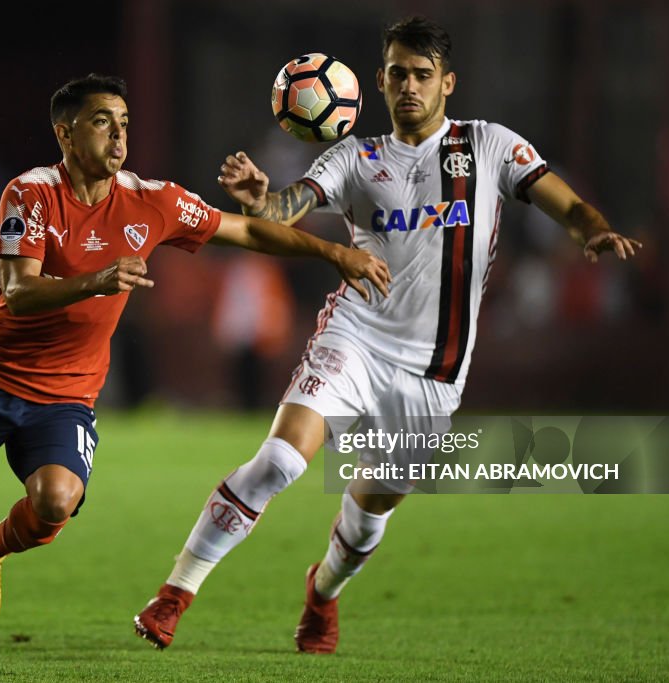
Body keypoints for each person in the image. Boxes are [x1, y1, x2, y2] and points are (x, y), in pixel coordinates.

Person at [0, 74, 391, 663]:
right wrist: (96, 280)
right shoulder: (30, 193)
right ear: (66, 134)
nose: (118, 137)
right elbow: (18, 291)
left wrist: (333, 250)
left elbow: (249, 231)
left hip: (64, 398)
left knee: (56, 499)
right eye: (102, 123)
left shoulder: (153, 201)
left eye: (124, 123)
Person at [133, 16, 641, 654]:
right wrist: (259, 199)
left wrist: (592, 228)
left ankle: (322, 592)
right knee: (281, 459)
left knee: (372, 509)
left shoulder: (487, 146)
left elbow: (563, 202)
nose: (409, 86)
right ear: (377, 81)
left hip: (435, 371)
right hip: (356, 337)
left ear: (447, 83)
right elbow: (287, 208)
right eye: (397, 73)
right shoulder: (355, 155)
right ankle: (175, 595)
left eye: (422, 75)